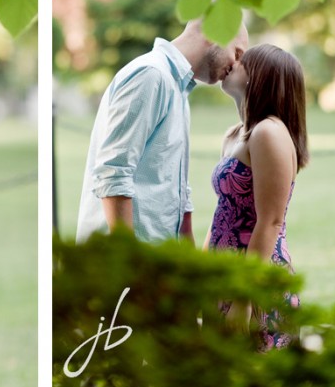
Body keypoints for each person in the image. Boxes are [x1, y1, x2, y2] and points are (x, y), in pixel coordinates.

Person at [76, 20, 249, 243]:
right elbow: (114, 173)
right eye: (237, 52)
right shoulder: (151, 75)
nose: (236, 64)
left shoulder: (177, 88)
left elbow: (178, 191)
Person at [207, 44, 307, 350]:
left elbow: (271, 221)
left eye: (243, 61)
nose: (232, 62)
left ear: (260, 77)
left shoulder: (269, 133)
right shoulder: (235, 134)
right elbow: (222, 214)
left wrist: (243, 299)